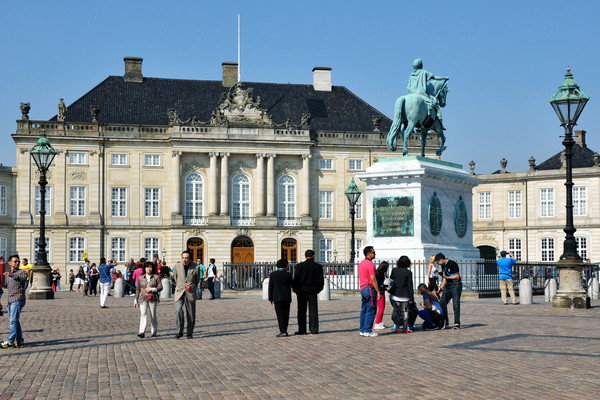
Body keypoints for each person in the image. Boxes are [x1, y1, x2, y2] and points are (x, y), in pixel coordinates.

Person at [407, 58, 448, 130]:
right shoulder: (424, 72)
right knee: (435, 106)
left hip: (411, 93)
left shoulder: (411, 75)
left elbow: (409, 86)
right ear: (420, 65)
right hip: (421, 94)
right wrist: (444, 77)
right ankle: (440, 124)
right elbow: (435, 77)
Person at [292, 249, 325, 335]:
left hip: (301, 291)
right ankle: (314, 329)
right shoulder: (318, 266)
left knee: (301, 311)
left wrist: (296, 290)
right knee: (313, 311)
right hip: (313, 291)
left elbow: (296, 280)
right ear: (313, 256)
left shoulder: (299, 266)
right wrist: (318, 290)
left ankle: (302, 330)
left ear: (305, 256)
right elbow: (321, 281)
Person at [172, 251, 200, 339]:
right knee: (178, 310)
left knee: (191, 313)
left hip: (190, 292)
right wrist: (181, 285)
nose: (185, 259)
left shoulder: (196, 267)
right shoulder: (177, 266)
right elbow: (175, 278)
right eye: (183, 257)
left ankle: (189, 332)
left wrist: (191, 286)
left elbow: (197, 280)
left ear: (190, 259)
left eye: (187, 258)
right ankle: (179, 331)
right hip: (179, 291)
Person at [1, 255, 28, 348]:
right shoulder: (8, 275)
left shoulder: (22, 272)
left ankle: (10, 341)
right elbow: (9, 289)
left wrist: (11, 275)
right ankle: (20, 341)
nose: (17, 263)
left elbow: (22, 279)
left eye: (18, 261)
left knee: (13, 321)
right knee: (15, 321)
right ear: (9, 263)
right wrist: (7, 301)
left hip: (18, 299)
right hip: (11, 300)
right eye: (15, 261)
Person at [134, 261, 163, 338]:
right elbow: (138, 289)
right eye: (147, 267)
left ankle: (154, 331)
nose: (149, 269)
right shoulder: (141, 277)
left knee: (153, 315)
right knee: (143, 314)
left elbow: (160, 287)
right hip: (143, 298)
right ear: (145, 268)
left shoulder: (156, 277)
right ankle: (141, 331)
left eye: (150, 267)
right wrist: (135, 300)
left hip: (152, 297)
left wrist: (152, 289)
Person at [358, 246, 382, 337]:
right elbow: (373, 279)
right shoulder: (370, 264)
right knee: (371, 309)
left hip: (363, 288)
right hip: (369, 288)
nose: (374, 254)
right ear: (369, 254)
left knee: (364, 309)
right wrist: (378, 291)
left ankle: (362, 329)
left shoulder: (361, 263)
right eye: (373, 252)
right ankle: (367, 330)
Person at [388, 256, 414, 333]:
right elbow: (410, 285)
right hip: (405, 295)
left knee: (397, 311)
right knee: (405, 312)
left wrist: (396, 267)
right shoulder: (408, 272)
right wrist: (411, 298)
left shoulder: (394, 270)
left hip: (396, 294)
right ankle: (405, 328)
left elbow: (391, 277)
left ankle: (397, 328)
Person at [436, 253, 462, 329]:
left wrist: (447, 277)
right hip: (448, 286)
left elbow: (457, 277)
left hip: (455, 285)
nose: (438, 264)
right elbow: (445, 278)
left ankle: (457, 322)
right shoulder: (443, 265)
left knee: (456, 304)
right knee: (442, 302)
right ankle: (445, 319)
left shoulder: (452, 264)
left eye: (438, 262)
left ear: (441, 260)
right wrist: (440, 288)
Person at [268, 258, 293, 337]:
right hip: (287, 297)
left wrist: (270, 298)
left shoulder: (273, 274)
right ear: (286, 266)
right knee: (286, 314)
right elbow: (292, 285)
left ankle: (283, 331)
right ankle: (285, 330)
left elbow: (270, 287)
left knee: (280, 315)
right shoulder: (288, 274)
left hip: (277, 297)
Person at [373, 261, 390, 330]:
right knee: (381, 308)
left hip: (382, 291)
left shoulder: (381, 274)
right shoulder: (378, 274)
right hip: (379, 292)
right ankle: (377, 323)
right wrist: (386, 288)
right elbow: (378, 285)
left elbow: (381, 284)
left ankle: (380, 322)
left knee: (382, 308)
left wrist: (386, 286)